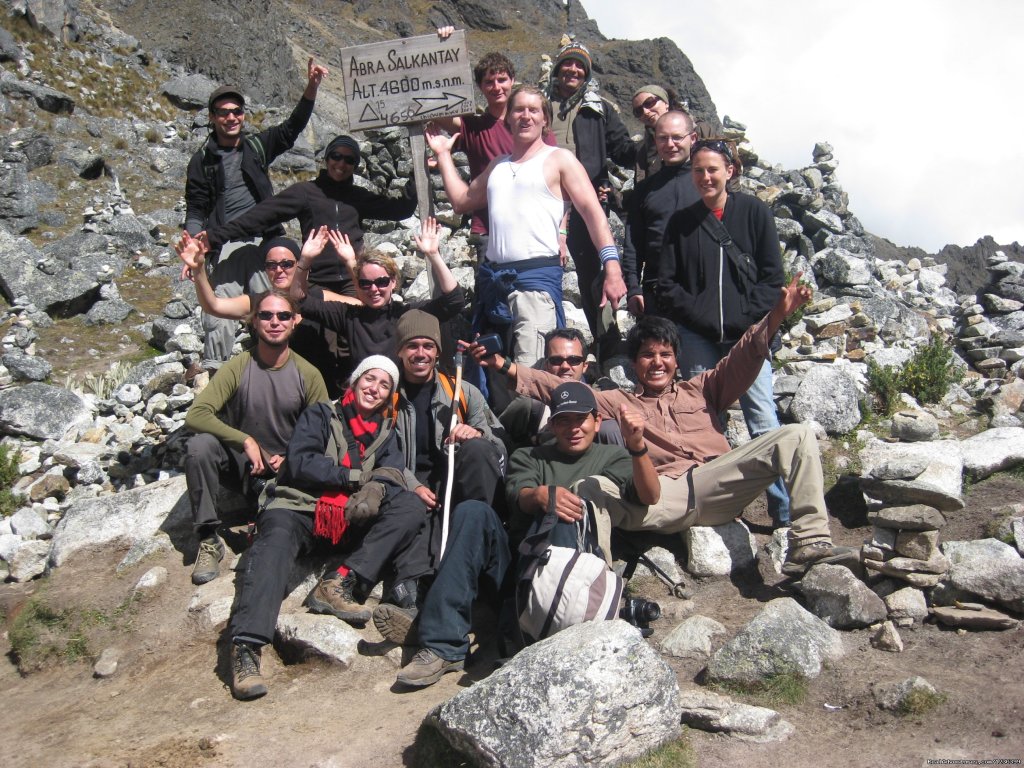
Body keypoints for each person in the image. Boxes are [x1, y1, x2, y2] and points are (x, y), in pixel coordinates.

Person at [476, 275, 853, 573]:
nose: (657, 362)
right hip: (664, 495)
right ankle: (591, 582)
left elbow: (743, 358)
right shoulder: (619, 401)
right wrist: (505, 367)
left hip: (718, 481)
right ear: (634, 363)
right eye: (647, 355)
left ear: (676, 360)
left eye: (665, 354)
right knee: (590, 487)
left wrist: (775, 317)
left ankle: (811, 542)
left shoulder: (704, 389)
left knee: (798, 434)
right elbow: (560, 388)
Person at [384, 380, 659, 688]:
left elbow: (649, 496)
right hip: (517, 569)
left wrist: (637, 445)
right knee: (472, 511)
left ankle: (533, 639)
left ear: (597, 421)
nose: (573, 428)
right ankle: (442, 646)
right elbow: (520, 494)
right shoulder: (528, 456)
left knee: (565, 513)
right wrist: (540, 495)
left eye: (581, 419)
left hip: (575, 575)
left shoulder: (614, 458)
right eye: (563, 420)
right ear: (552, 424)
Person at [227, 357, 429, 700]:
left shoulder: (386, 432)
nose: (375, 389)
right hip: (299, 508)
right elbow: (301, 462)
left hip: (350, 517)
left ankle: (339, 580)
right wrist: (358, 478)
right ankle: (246, 647)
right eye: (370, 379)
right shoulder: (321, 415)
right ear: (355, 380)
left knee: (410, 506)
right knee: (273, 543)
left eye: (385, 386)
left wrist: (378, 488)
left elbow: (392, 474)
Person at [426, 84, 626, 368]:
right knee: (492, 375)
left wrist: (612, 267)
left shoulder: (559, 159)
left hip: (535, 285)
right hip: (493, 281)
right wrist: (444, 154)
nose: (526, 116)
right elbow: (461, 201)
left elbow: (594, 215)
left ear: (545, 119)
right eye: (519, 109)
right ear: (508, 117)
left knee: (532, 379)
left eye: (534, 110)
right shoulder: (498, 165)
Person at [655, 137, 791, 527]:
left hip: (747, 338)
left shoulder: (753, 212)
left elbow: (771, 279)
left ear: (730, 171)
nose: (705, 177)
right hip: (697, 337)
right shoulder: (681, 222)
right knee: (700, 422)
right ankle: (708, 509)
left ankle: (784, 512)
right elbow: (666, 283)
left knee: (762, 418)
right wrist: (700, 316)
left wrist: (741, 319)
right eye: (698, 170)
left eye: (713, 169)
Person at [367, 309, 508, 646]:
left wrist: (473, 433)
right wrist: (409, 484)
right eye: (412, 345)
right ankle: (413, 601)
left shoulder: (461, 391)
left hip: (456, 483)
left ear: (437, 352)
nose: (420, 354)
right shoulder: (385, 394)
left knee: (476, 454)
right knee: (417, 519)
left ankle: (475, 561)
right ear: (399, 351)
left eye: (428, 346)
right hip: (406, 485)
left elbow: (498, 444)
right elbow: (370, 450)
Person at [184, 59, 328, 371]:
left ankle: (287, 361)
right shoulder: (202, 161)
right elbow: (196, 207)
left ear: (243, 115)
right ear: (212, 118)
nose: (231, 117)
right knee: (220, 297)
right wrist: (195, 243)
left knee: (280, 297)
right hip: (227, 243)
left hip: (269, 239)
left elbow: (291, 129)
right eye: (223, 112)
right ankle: (215, 369)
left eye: (237, 111)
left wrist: (312, 89)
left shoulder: (257, 146)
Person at [183, 290, 329, 586]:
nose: (274, 322)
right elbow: (197, 415)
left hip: (286, 472)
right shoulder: (239, 366)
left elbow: (324, 432)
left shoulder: (308, 374)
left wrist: (292, 456)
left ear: (295, 321)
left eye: (283, 315)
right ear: (254, 321)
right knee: (199, 446)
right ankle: (208, 538)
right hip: (242, 465)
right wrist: (245, 441)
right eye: (266, 315)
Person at [200, 134, 417, 297]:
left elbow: (401, 210)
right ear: (326, 158)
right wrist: (214, 237)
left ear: (355, 165)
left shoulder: (358, 197)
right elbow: (259, 217)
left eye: (349, 160)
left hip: (353, 279)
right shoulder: (305, 192)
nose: (341, 164)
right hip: (315, 281)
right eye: (336, 156)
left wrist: (418, 172)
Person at [176, 227, 358, 397]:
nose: (279, 270)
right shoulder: (258, 302)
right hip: (277, 393)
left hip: (325, 391)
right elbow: (213, 306)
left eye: (287, 264)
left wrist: (351, 263)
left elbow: (364, 307)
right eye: (271, 265)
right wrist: (198, 269)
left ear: (299, 265)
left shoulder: (319, 296)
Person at [292, 217, 466, 381]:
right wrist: (305, 260)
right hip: (365, 398)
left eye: (381, 282)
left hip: (400, 400)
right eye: (366, 284)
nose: (374, 289)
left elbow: (454, 301)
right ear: (358, 285)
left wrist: (433, 254)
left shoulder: (407, 315)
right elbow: (300, 302)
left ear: (393, 282)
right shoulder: (349, 316)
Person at [545, 40, 635, 340]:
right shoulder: (539, 105)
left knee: (591, 271)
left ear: (586, 73)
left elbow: (623, 150)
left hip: (588, 200)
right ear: (558, 69)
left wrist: (656, 140)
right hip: (544, 200)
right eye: (568, 63)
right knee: (542, 267)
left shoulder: (599, 109)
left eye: (579, 66)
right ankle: (550, 340)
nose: (573, 69)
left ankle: (606, 338)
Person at [621, 110, 699, 316]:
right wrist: (633, 289)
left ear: (693, 138)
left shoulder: (708, 185)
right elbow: (633, 243)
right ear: (655, 141)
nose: (670, 144)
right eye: (663, 138)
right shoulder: (645, 189)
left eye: (677, 137)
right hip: (657, 289)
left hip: (702, 287)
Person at [498, 327, 623, 452]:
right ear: (546, 364)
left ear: (585, 366)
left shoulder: (603, 393)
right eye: (556, 360)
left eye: (574, 360)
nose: (565, 366)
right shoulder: (530, 404)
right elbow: (500, 435)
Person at [630, 84, 687, 185]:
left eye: (649, 103)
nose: (646, 112)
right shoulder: (643, 150)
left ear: (666, 103)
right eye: (639, 111)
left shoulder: (699, 130)